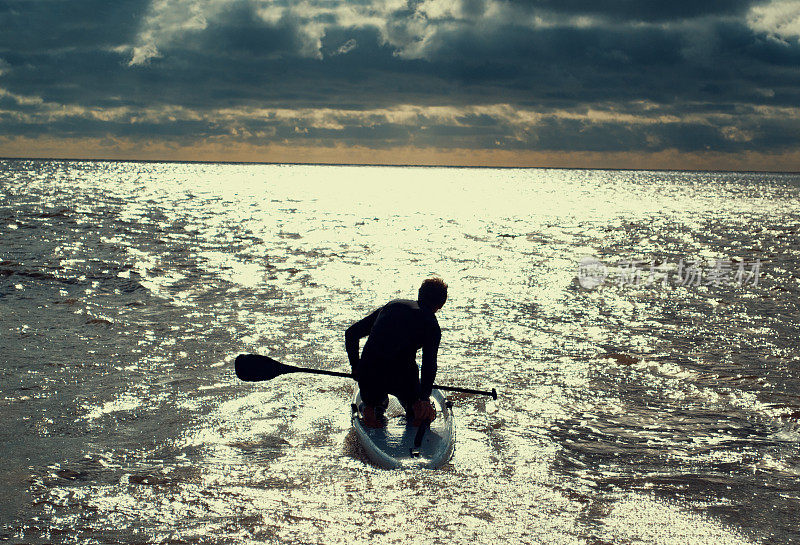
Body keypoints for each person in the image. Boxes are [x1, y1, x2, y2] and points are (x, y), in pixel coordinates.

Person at [345, 278, 447, 428]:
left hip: (368, 376)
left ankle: (371, 407)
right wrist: (424, 398)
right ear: (441, 304)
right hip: (401, 377)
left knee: (377, 390)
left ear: (419, 294)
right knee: (419, 401)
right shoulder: (431, 325)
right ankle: (416, 411)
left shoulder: (393, 306)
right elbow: (429, 365)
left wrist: (355, 366)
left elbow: (351, 334)